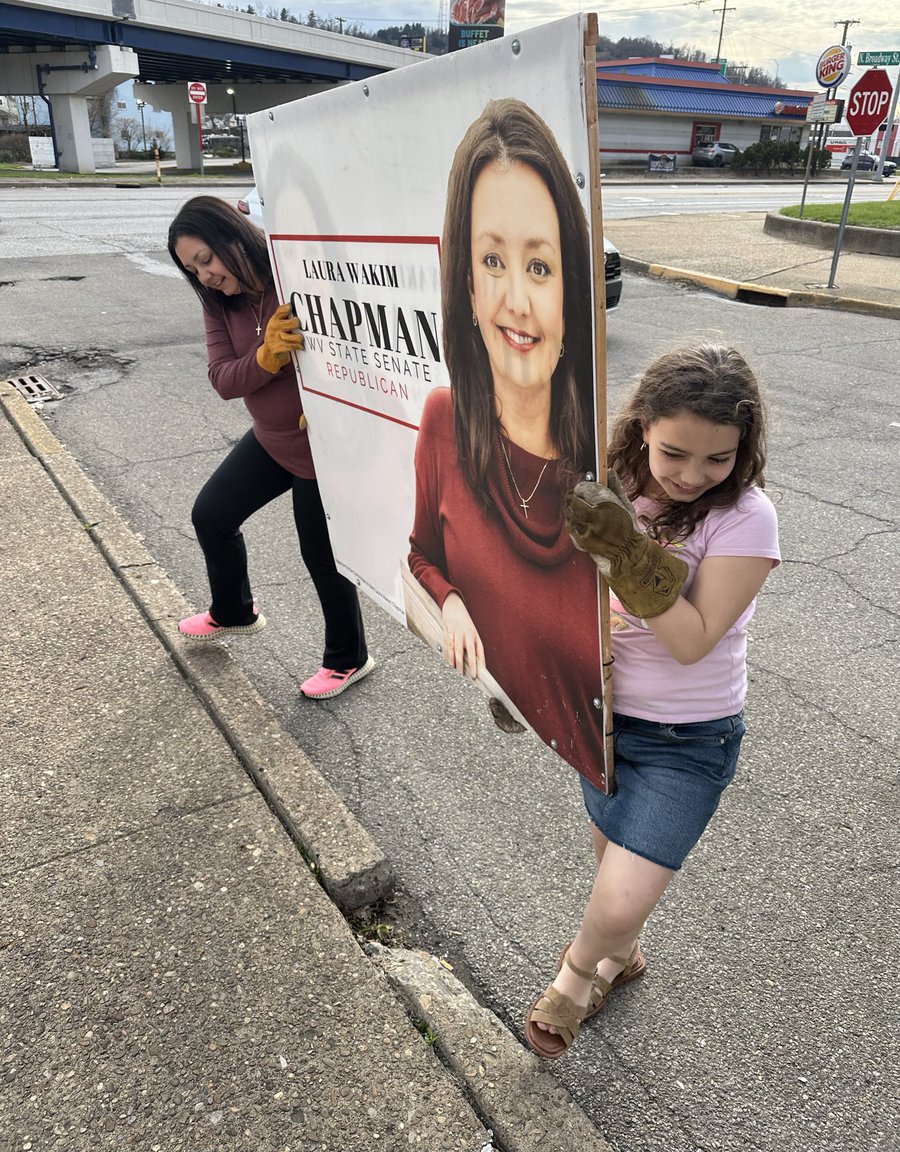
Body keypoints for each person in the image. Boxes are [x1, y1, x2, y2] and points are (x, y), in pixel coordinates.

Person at [523, 340, 780, 1059]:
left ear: (744, 448)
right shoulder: (608, 488)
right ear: (641, 426)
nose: (695, 475)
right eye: (675, 453)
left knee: (620, 896)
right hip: (603, 718)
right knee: (614, 873)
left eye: (718, 459)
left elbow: (692, 639)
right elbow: (552, 590)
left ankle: (576, 980)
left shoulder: (747, 520)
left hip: (688, 742)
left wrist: (627, 554)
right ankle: (620, 960)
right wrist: (527, 676)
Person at [408, 97, 606, 781]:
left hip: (623, 757)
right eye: (493, 261)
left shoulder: (615, 459)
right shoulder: (442, 422)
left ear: (570, 291)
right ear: (465, 280)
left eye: (540, 267)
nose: (516, 299)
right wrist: (451, 600)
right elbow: (418, 556)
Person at [167, 196, 373, 699]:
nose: (206, 275)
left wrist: (337, 408)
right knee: (211, 514)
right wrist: (266, 357)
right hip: (270, 440)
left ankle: (351, 659)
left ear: (233, 237)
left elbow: (357, 352)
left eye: (207, 259)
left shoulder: (296, 276)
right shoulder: (218, 303)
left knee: (321, 556)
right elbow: (222, 378)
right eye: (193, 269)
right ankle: (234, 612)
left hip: (319, 451)